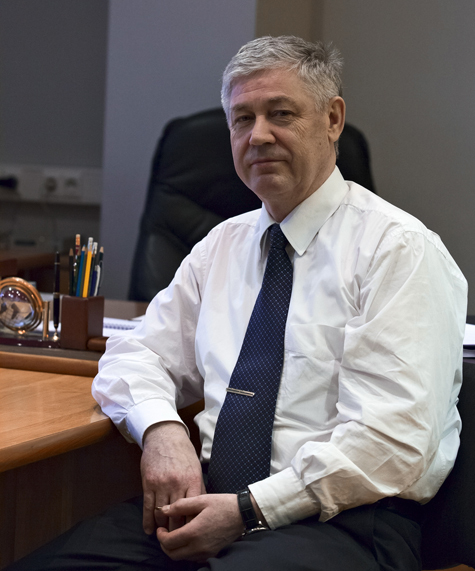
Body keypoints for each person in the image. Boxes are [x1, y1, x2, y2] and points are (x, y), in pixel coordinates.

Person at [8, 35, 467, 571]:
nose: (259, 135)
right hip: (207, 502)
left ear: (333, 120)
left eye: (281, 114)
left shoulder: (399, 251)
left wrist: (249, 510)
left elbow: (391, 443)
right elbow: (138, 354)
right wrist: (161, 431)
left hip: (343, 522)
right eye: (242, 119)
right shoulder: (221, 246)